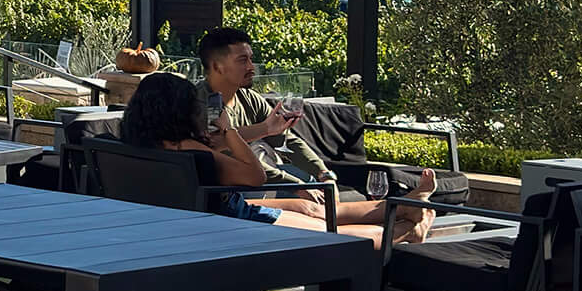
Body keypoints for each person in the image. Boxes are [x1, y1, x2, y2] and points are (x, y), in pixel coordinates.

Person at [121, 72, 434, 245]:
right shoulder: (192, 150)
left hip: (194, 215)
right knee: (334, 236)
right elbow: (254, 177)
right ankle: (408, 230)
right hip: (231, 220)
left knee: (309, 208)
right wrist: (228, 130)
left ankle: (404, 205)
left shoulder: (140, 144)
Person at [191, 24, 438, 216]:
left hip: (259, 180)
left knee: (318, 188)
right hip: (228, 191)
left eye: (251, 58)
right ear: (217, 66)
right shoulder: (204, 103)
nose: (252, 66)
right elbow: (225, 150)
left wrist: (323, 172)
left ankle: (400, 213)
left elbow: (287, 139)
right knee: (310, 200)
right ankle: (401, 210)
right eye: (242, 60)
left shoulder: (248, 98)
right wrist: (296, 184)